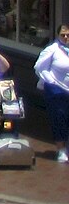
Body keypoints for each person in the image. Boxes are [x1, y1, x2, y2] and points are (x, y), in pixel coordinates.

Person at [34, 23, 69, 163]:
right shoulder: (52, 50)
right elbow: (39, 67)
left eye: (68, 35)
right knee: (59, 119)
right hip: (56, 91)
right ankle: (61, 150)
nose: (66, 37)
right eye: (63, 35)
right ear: (57, 35)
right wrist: (51, 82)